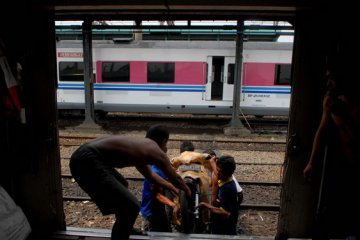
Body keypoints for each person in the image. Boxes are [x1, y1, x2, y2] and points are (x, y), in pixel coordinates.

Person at [69, 124, 191, 240]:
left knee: (123, 184)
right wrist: (186, 190)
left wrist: (172, 187)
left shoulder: (142, 147)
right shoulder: (155, 150)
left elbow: (150, 175)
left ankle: (126, 227)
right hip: (87, 160)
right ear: (164, 141)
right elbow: (176, 178)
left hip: (84, 156)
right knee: (131, 206)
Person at [303, 65, 360, 239]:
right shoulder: (331, 100)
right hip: (340, 161)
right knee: (328, 210)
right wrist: (311, 162)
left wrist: (345, 111)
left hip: (354, 162)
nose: (329, 83)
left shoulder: (350, 103)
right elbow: (321, 129)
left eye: (332, 79)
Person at [140, 128, 182, 232]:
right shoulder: (154, 171)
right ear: (163, 143)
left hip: (159, 210)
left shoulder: (156, 162)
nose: (167, 147)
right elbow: (157, 195)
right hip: (151, 214)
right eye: (165, 143)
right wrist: (173, 205)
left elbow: (168, 180)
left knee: (166, 231)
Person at [197, 155, 239, 235]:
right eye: (217, 170)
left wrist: (207, 206)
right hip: (220, 221)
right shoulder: (224, 178)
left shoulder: (228, 188)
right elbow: (217, 172)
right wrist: (212, 161)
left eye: (220, 172)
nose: (217, 174)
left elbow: (225, 213)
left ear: (229, 173)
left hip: (226, 227)